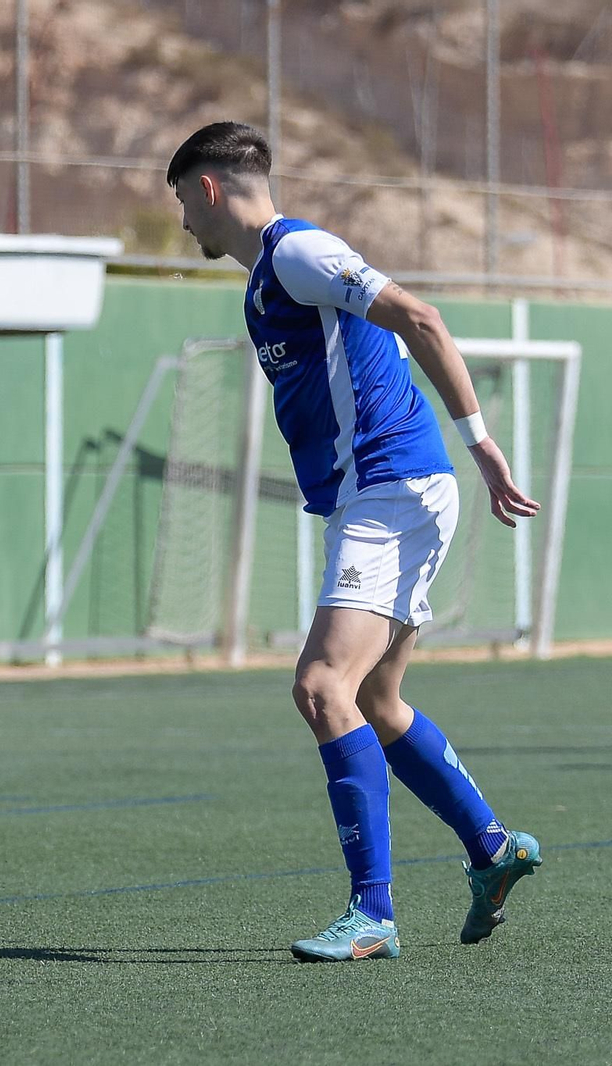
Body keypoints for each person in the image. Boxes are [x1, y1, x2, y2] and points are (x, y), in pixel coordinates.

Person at [167, 121, 543, 961]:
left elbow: (419, 315)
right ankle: (491, 847)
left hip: (392, 490)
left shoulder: (296, 252)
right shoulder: (268, 277)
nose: (185, 221)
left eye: (182, 200)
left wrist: (480, 442)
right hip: (380, 496)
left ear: (209, 188)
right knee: (375, 702)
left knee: (320, 686)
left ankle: (372, 912)